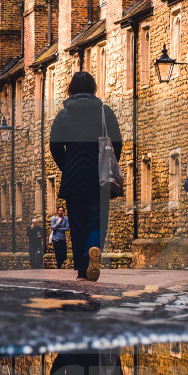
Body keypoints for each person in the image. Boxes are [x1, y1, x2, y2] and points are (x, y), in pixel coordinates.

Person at [49, 71, 123, 282]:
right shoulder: (105, 112)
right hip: (99, 178)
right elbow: (117, 142)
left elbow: (54, 146)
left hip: (73, 179)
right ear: (93, 89)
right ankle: (92, 251)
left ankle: (82, 270)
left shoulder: (63, 115)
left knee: (78, 224)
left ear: (71, 89)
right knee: (97, 222)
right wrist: (107, 163)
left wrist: (67, 166)